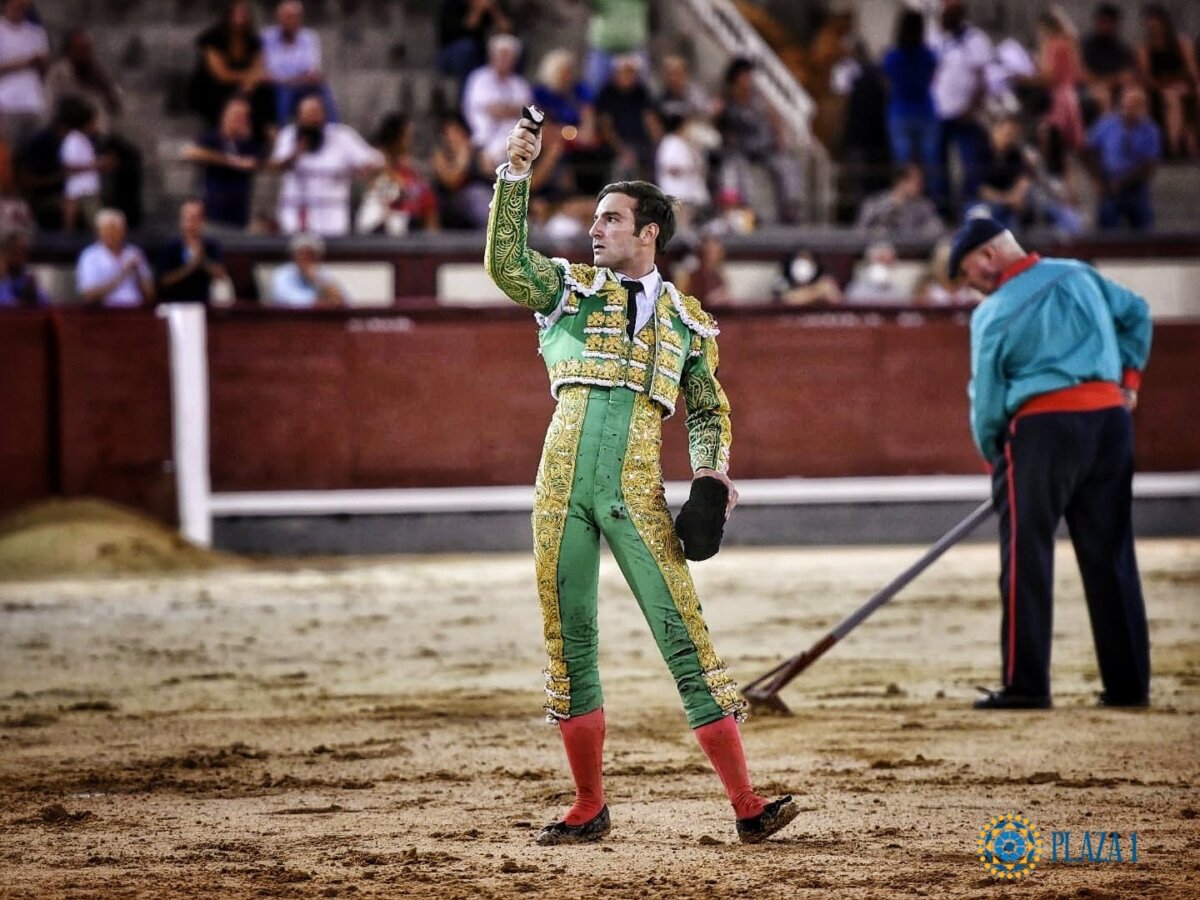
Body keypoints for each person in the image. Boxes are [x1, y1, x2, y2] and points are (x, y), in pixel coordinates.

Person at [484, 113, 799, 846]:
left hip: (634, 488)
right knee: (571, 641)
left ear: (649, 230)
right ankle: (588, 804)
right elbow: (505, 267)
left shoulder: (691, 324)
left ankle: (748, 804)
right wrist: (515, 175)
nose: (595, 230)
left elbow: (707, 409)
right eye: (593, 219)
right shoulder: (567, 289)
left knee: (682, 633)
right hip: (560, 485)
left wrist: (712, 477)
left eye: (612, 219)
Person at [950, 217, 1152, 711]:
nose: (970, 284)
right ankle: (1128, 686)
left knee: (1026, 555)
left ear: (989, 256)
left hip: (1041, 432)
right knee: (1111, 553)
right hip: (1109, 424)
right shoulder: (1080, 275)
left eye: (967, 271)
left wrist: (994, 453)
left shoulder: (994, 312)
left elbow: (988, 399)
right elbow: (1138, 314)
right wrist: (1128, 381)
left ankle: (1027, 683)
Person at [270, 94, 384, 235]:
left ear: (323, 115)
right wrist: (296, 153)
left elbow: (377, 161)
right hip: (296, 214)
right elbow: (276, 166)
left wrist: (363, 169)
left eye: (315, 114)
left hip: (333, 217)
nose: (311, 121)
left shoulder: (342, 136)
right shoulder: (289, 135)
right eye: (306, 116)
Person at [715, 57, 803, 225]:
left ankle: (790, 210)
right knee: (739, 172)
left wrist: (779, 136)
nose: (747, 80)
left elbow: (775, 119)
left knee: (786, 165)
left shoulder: (759, 99)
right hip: (740, 152)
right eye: (744, 76)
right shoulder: (726, 100)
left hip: (764, 148)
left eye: (749, 76)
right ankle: (750, 213)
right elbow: (717, 125)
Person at [930, 0, 993, 212]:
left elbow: (982, 78)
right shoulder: (937, 39)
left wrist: (972, 107)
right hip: (940, 112)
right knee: (938, 163)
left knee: (970, 163)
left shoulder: (975, 39)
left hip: (965, 112)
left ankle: (969, 205)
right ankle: (942, 208)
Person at [188, 0, 275, 143]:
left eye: (244, 15)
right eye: (237, 14)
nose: (240, 18)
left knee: (264, 91)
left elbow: (258, 68)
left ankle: (261, 135)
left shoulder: (254, 41)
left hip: (242, 84)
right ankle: (222, 136)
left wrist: (250, 84)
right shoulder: (212, 38)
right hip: (212, 85)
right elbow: (221, 74)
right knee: (223, 95)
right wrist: (248, 78)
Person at [1084, 85, 1161, 231]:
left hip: (1135, 188)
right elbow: (1088, 150)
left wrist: (1122, 182)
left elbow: (1149, 164)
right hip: (1108, 187)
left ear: (1143, 106)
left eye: (1135, 103)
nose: (1130, 107)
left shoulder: (1150, 130)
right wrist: (1097, 180)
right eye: (1128, 102)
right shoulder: (1106, 125)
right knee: (1107, 232)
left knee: (1143, 232)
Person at [882, 9, 940, 190]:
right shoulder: (929, 56)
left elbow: (887, 81)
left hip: (901, 111)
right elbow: (931, 77)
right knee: (929, 163)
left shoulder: (892, 57)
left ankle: (905, 197)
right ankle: (935, 202)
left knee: (903, 163)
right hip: (925, 110)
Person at [184, 96, 261, 232]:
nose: (240, 120)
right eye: (237, 115)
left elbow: (256, 163)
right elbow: (191, 152)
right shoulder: (211, 139)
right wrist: (232, 161)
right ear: (225, 115)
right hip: (212, 210)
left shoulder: (247, 145)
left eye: (244, 116)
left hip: (239, 214)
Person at [1135, 3, 1200, 159]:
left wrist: (1189, 85)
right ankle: (1174, 146)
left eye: (1156, 24)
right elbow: (1148, 79)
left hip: (1183, 86)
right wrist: (1171, 82)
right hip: (1160, 89)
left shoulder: (1181, 44)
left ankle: (1191, 141)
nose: (1154, 28)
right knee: (1171, 98)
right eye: (1150, 25)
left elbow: (1192, 73)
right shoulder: (1145, 48)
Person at [356, 112, 439, 235]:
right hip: (377, 221)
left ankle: (433, 245)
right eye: (406, 137)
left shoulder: (404, 163)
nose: (409, 142)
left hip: (405, 216)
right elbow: (382, 185)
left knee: (428, 200)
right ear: (395, 138)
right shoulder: (374, 158)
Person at [461, 34, 532, 169]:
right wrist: (514, 110)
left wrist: (508, 110)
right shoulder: (479, 78)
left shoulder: (519, 83)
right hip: (484, 139)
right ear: (492, 56)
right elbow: (495, 110)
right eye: (501, 55)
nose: (504, 60)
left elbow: (529, 112)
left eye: (509, 56)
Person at [262, 1, 337, 126]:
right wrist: (288, 80)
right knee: (284, 94)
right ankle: (283, 135)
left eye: (293, 17)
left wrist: (292, 79)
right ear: (278, 18)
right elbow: (267, 71)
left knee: (323, 90)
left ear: (300, 19)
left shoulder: (309, 37)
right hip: (277, 86)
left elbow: (311, 70)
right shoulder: (267, 37)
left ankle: (335, 131)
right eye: (286, 17)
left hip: (301, 85)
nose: (289, 21)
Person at [1033, 8, 1085, 178]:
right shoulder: (1069, 43)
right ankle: (1067, 187)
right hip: (1070, 97)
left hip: (1057, 99)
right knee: (1062, 150)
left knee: (1052, 142)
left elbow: (1050, 77)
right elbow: (1077, 72)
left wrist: (1024, 78)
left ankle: (1054, 180)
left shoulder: (1052, 45)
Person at [75, 208, 154, 307]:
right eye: (108, 230)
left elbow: (151, 295)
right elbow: (89, 295)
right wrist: (123, 274)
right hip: (107, 313)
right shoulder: (90, 256)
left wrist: (139, 273)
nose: (112, 234)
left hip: (136, 310)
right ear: (99, 232)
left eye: (116, 229)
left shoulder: (134, 252)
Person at [156, 199, 230, 304]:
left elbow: (220, 274)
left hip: (202, 302)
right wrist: (190, 267)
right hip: (175, 303)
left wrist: (203, 260)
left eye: (195, 218)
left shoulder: (211, 245)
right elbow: (164, 281)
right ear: (181, 220)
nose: (191, 223)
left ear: (202, 221)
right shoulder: (171, 246)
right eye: (187, 218)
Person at [0, 0, 48, 147]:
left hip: (34, 102)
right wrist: (24, 63)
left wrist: (40, 62)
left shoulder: (36, 32)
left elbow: (45, 65)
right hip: (7, 102)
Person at [855, 163, 944, 239]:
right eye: (917, 183)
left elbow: (938, 228)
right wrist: (875, 233)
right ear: (901, 182)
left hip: (913, 251)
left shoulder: (924, 205)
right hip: (882, 253)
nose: (922, 186)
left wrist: (919, 233)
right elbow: (860, 231)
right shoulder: (874, 203)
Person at [1080, 3, 1135, 117]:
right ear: (1097, 22)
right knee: (1103, 95)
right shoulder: (1085, 45)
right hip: (1089, 89)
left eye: (1111, 22)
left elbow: (1127, 76)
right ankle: (1109, 133)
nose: (1107, 26)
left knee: (1135, 96)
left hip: (1117, 89)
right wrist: (1114, 79)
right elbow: (1085, 77)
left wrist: (1109, 81)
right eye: (1104, 22)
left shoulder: (1122, 48)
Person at [268, 231, 345, 307]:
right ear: (293, 255)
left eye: (311, 254)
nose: (306, 257)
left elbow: (343, 301)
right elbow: (293, 301)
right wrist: (326, 301)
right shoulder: (281, 274)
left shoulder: (323, 272)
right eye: (301, 253)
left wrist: (319, 280)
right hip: (288, 318)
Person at [844, 241, 909, 305]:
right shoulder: (856, 291)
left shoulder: (900, 292)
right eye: (880, 260)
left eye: (887, 262)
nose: (883, 266)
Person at [0, 229, 46, 306]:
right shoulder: (3, 280)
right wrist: (3, 280)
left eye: (23, 252)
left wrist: (34, 296)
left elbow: (47, 304)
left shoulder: (27, 280)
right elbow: (5, 307)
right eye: (15, 252)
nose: (20, 257)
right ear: (5, 254)